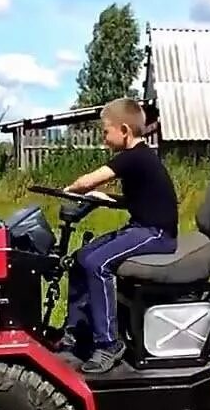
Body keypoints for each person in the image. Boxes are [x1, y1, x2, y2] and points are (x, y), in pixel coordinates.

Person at [58, 98, 179, 373]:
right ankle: (78, 330)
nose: (103, 137)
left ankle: (109, 343)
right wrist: (103, 198)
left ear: (124, 130)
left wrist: (71, 189)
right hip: (141, 228)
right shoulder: (138, 160)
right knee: (81, 258)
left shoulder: (134, 156)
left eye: (105, 131)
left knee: (97, 265)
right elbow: (135, 199)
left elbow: (88, 180)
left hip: (157, 234)